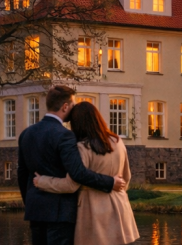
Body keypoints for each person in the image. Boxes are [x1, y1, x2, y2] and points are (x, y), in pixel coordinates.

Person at [18, 86, 126, 245]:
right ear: (65, 107)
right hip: (61, 213)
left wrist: (30, 203)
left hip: (35, 210)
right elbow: (78, 173)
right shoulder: (65, 135)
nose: (74, 108)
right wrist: (110, 182)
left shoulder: (26, 133)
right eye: (73, 104)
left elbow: (22, 173)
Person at [33, 102, 139, 245]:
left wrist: (42, 181)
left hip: (93, 211)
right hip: (120, 208)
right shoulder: (117, 141)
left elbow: (71, 184)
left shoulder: (83, 147)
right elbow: (126, 177)